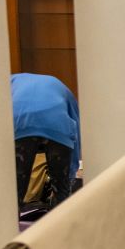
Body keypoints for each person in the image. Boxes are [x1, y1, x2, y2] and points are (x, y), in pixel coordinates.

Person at [11, 73, 80, 209]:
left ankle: (10, 226)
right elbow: (76, 131)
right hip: (58, 126)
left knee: (16, 190)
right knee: (62, 192)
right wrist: (72, 171)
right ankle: (62, 225)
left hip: (22, 124)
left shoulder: (8, 83)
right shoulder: (60, 85)